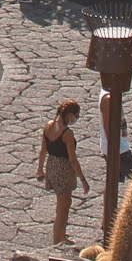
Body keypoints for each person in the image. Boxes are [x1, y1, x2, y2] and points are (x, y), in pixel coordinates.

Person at [35, 99, 90, 245]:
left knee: (63, 203)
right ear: (69, 114)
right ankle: (57, 239)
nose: (75, 119)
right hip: (64, 169)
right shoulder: (67, 134)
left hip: (52, 166)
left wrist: (40, 169)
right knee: (63, 208)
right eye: (75, 116)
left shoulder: (48, 126)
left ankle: (61, 236)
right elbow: (73, 160)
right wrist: (83, 180)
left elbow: (43, 151)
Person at [97, 89, 132, 180]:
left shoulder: (113, 93)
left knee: (112, 180)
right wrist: (114, 153)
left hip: (118, 146)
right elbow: (109, 128)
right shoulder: (108, 99)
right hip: (119, 149)